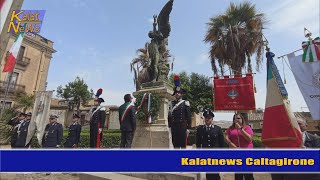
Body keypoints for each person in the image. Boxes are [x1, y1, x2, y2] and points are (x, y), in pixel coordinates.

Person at [196, 108, 225, 180]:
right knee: (208, 173)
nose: (207, 119)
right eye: (206, 118)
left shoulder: (218, 129)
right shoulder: (200, 129)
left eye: (209, 118)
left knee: (216, 173)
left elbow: (222, 143)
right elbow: (198, 143)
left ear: (212, 119)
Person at [225, 113, 254, 180]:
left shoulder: (247, 127)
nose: (236, 120)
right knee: (238, 174)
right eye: (235, 118)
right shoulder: (230, 128)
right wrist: (231, 144)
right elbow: (226, 138)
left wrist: (241, 129)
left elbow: (249, 139)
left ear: (242, 119)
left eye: (238, 118)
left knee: (248, 174)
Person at [168, 75, 192, 149]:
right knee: (175, 145)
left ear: (181, 94)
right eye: (176, 93)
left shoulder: (185, 103)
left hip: (182, 127)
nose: (177, 94)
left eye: (179, 93)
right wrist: (169, 126)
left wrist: (188, 128)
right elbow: (169, 116)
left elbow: (189, 116)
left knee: (183, 145)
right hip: (174, 128)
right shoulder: (171, 104)